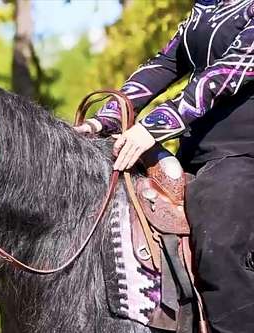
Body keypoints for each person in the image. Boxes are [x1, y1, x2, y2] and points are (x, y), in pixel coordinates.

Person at [75, 1, 254, 332]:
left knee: (219, 229)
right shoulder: (208, 6)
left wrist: (151, 127)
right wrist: (105, 120)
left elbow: (223, 75)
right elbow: (164, 63)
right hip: (195, 152)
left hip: (244, 153)